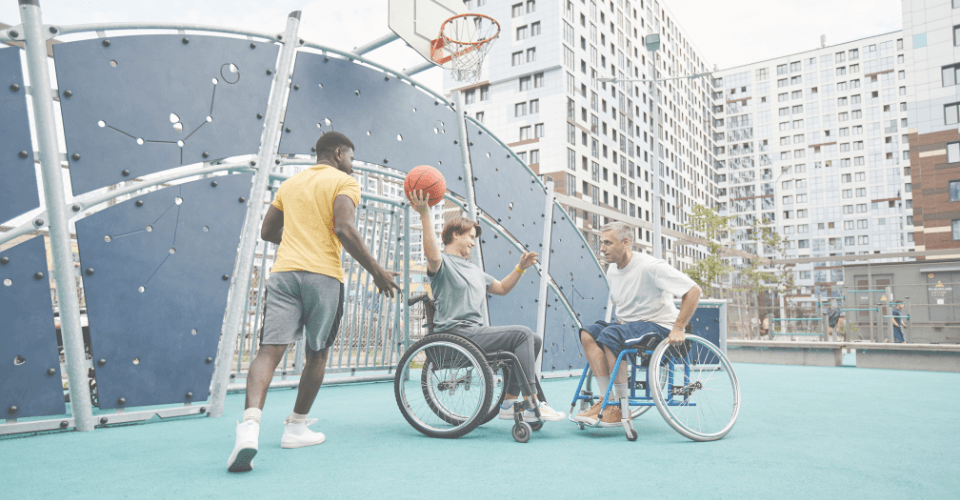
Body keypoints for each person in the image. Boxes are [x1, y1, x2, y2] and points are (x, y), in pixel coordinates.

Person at [228, 132, 401, 473]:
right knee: (317, 353)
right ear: (338, 154)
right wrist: (377, 271)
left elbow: (267, 232)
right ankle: (296, 427)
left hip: (284, 273)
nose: (352, 164)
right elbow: (344, 228)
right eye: (351, 157)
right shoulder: (344, 182)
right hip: (323, 276)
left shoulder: (290, 184)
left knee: (268, 351)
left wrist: (297, 239)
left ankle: (248, 428)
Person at [408, 190, 565, 422]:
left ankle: (509, 403)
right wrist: (424, 214)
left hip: (474, 332)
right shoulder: (442, 264)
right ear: (455, 234)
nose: (474, 242)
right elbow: (432, 255)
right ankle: (532, 403)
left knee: (533, 339)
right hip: (455, 333)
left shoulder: (474, 270)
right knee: (522, 333)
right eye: (470, 236)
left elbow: (502, 288)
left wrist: (520, 268)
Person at [574, 222, 701, 428]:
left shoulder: (650, 267)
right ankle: (607, 401)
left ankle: (619, 408)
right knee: (588, 333)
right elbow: (624, 308)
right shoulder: (612, 271)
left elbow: (693, 291)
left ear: (625, 242)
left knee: (611, 336)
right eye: (601, 243)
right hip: (630, 327)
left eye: (608, 243)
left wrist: (679, 327)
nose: (602, 248)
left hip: (659, 326)